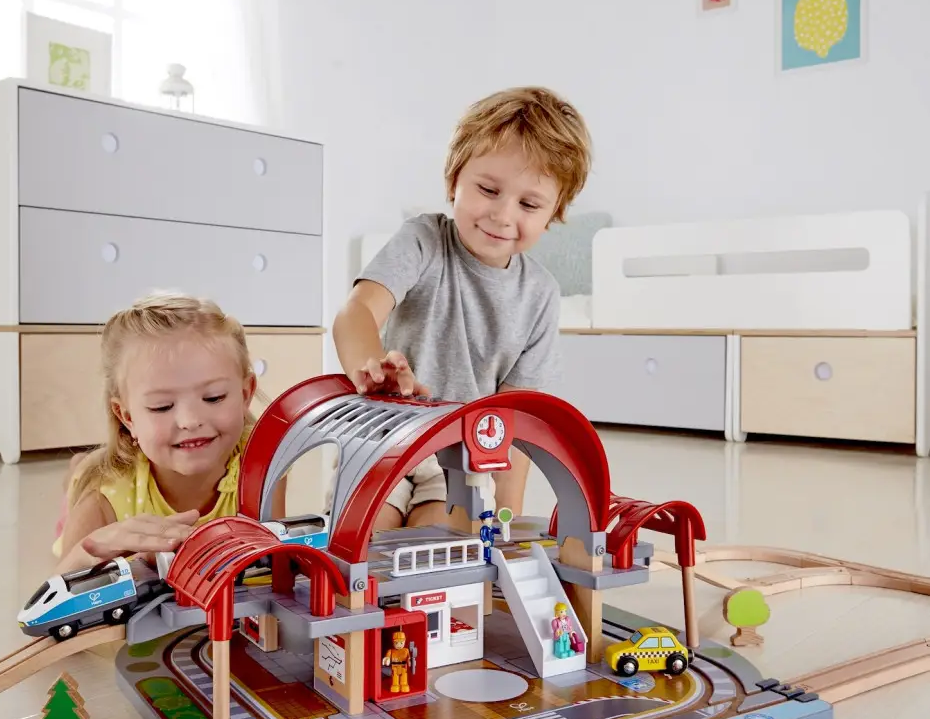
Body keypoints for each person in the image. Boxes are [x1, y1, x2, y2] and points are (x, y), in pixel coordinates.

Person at [332, 86, 592, 532]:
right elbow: (355, 313)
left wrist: (506, 525)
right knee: (364, 541)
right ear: (454, 181)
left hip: (460, 462)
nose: (503, 215)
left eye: (529, 204)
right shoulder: (423, 240)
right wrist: (370, 370)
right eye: (488, 190)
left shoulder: (541, 295)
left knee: (443, 548)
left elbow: (513, 422)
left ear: (553, 214)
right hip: (384, 441)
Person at [52, 292, 275, 575]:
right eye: (162, 406)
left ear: (245, 394)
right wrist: (89, 553)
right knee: (83, 477)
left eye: (214, 397)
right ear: (127, 417)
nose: (190, 421)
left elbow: (271, 566)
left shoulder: (266, 461)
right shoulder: (102, 494)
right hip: (109, 485)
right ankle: (76, 470)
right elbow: (60, 587)